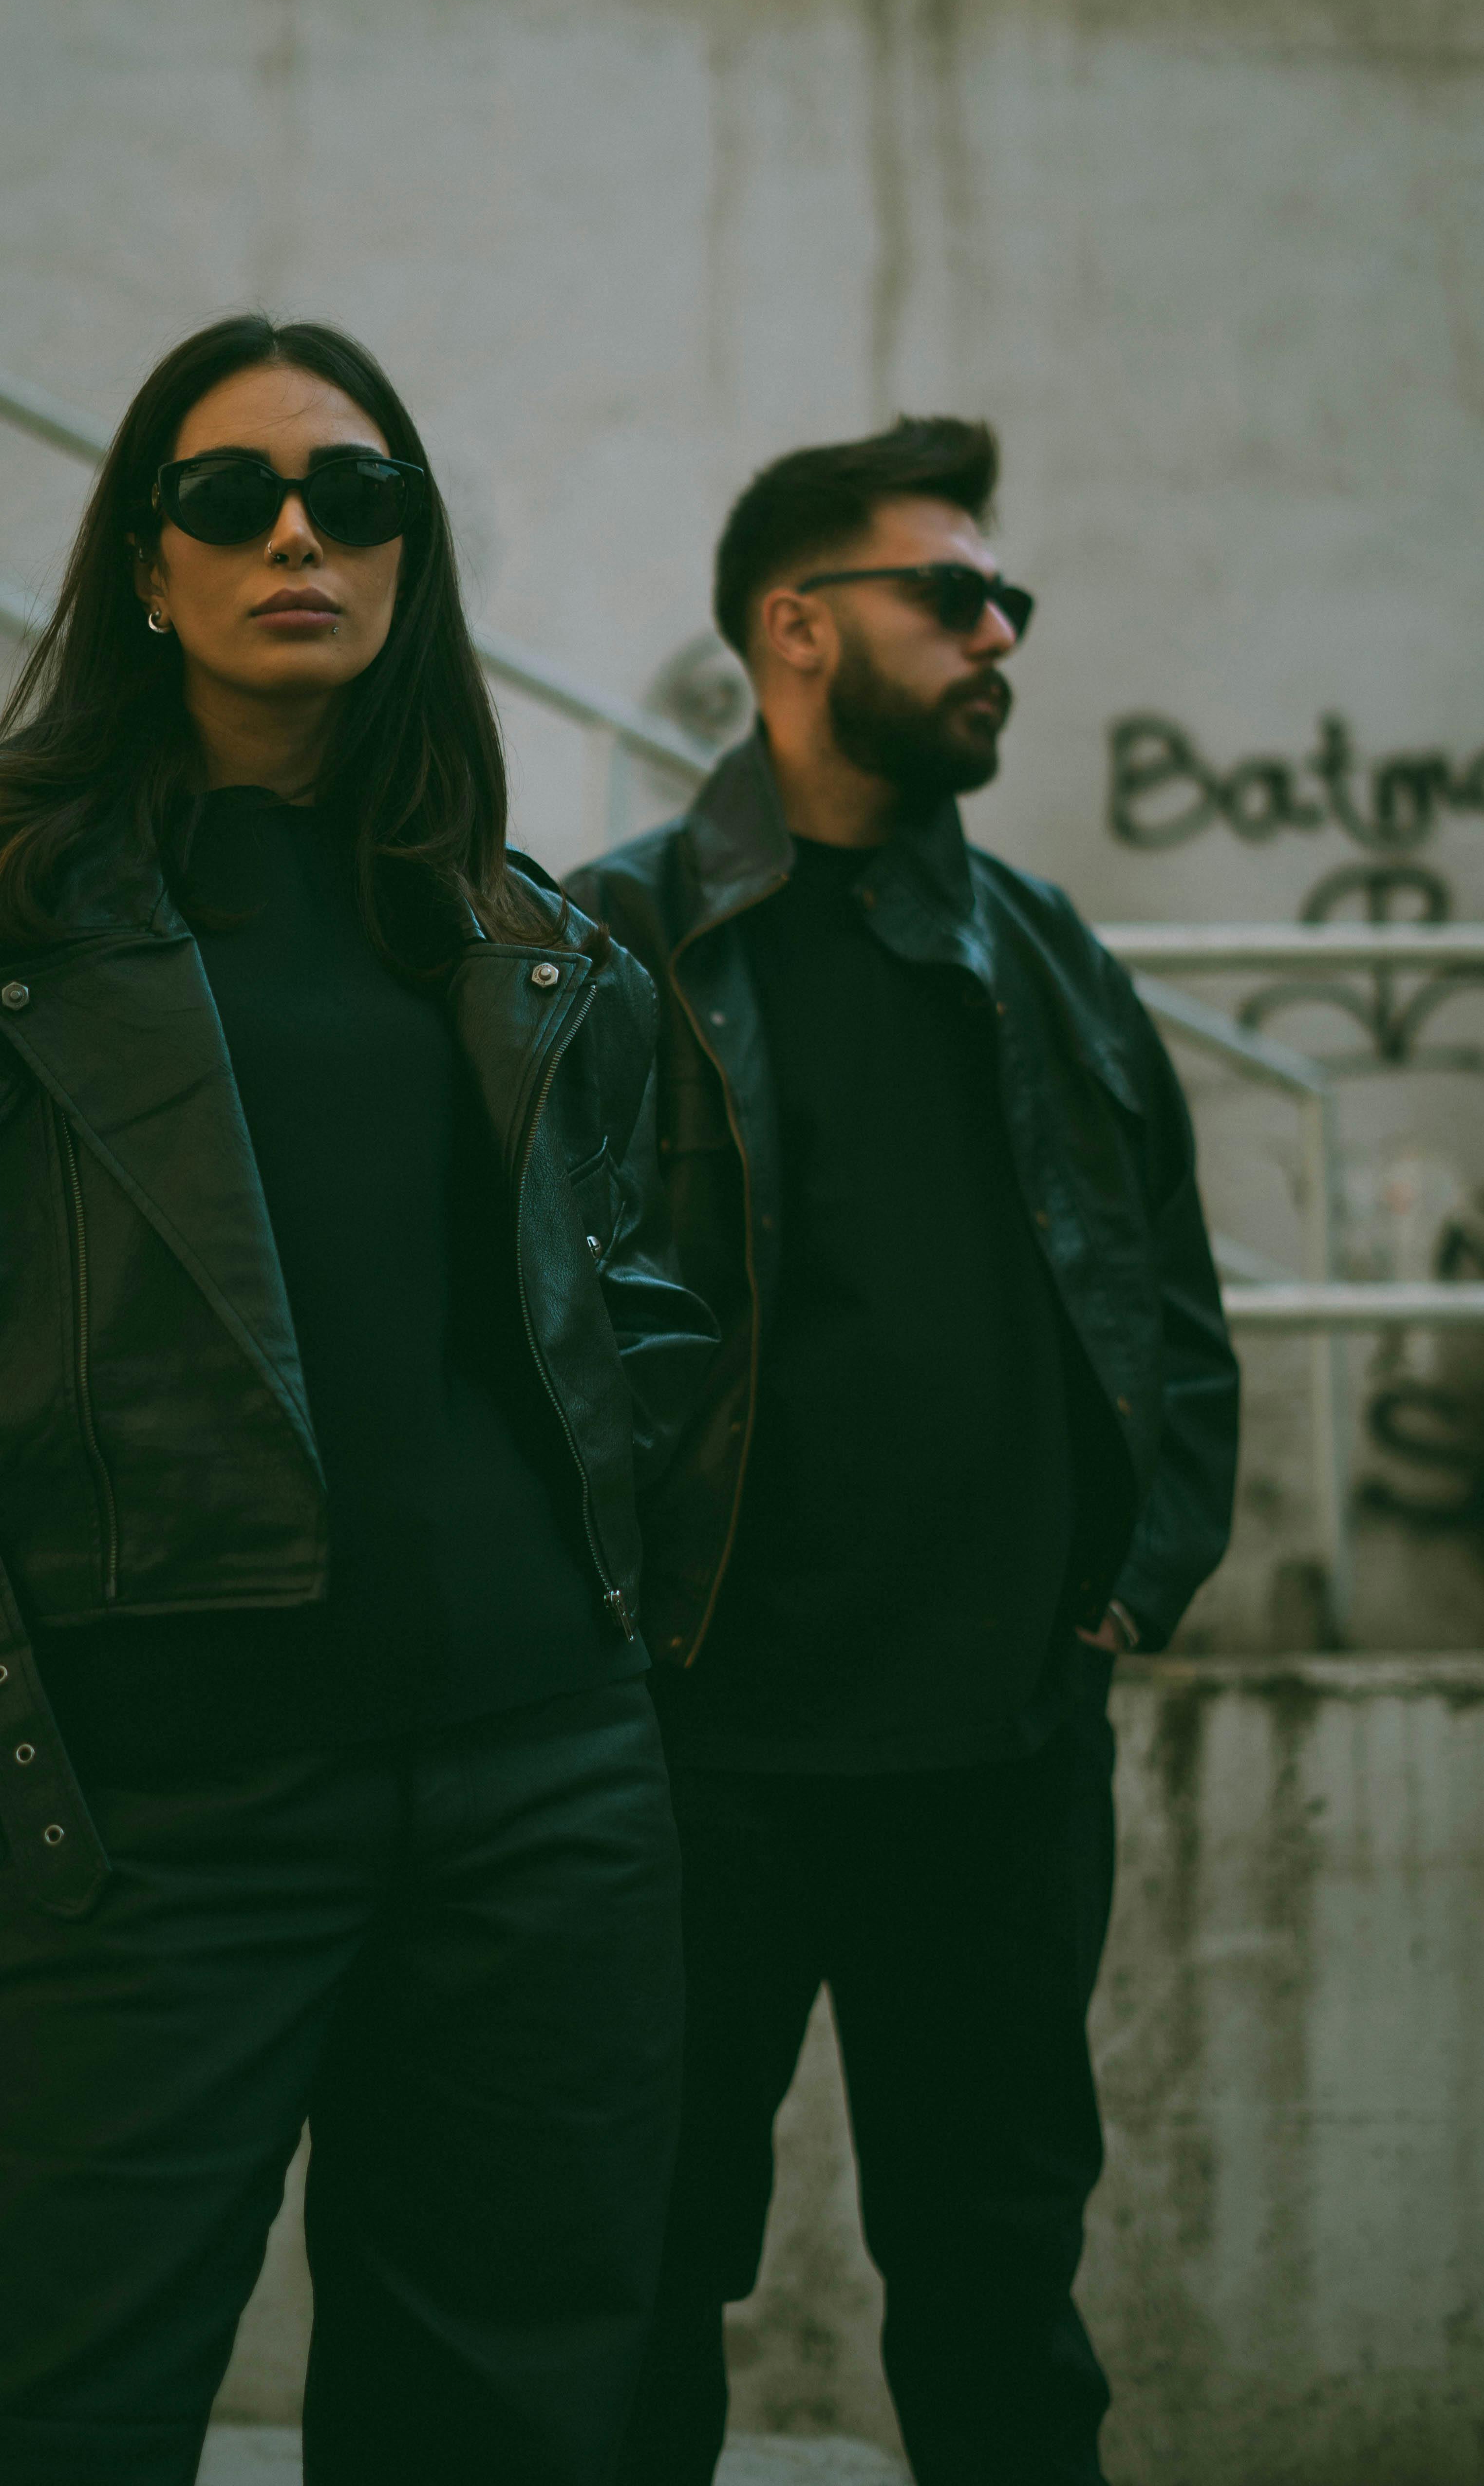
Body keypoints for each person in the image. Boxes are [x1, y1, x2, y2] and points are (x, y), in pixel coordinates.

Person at [0, 313, 718, 2486]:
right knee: (49, 2411)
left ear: (410, 557)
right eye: (229, 496)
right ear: (146, 564)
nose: (295, 534)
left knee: (513, 2412)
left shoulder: (529, 943)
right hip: (162, 1812)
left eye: (356, 496)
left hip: (542, 1795)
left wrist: (618, 1675)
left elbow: (649, 1351)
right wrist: (3, 1742)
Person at [567, 417, 1239, 2486]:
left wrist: (1138, 1578)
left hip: (1000, 1760)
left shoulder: (1042, 955)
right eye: (951, 594)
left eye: (1003, 598)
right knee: (637, 2277)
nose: (998, 635)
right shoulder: (619, 948)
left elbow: (1174, 1314)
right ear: (794, 628)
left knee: (999, 2288)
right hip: (704, 1761)